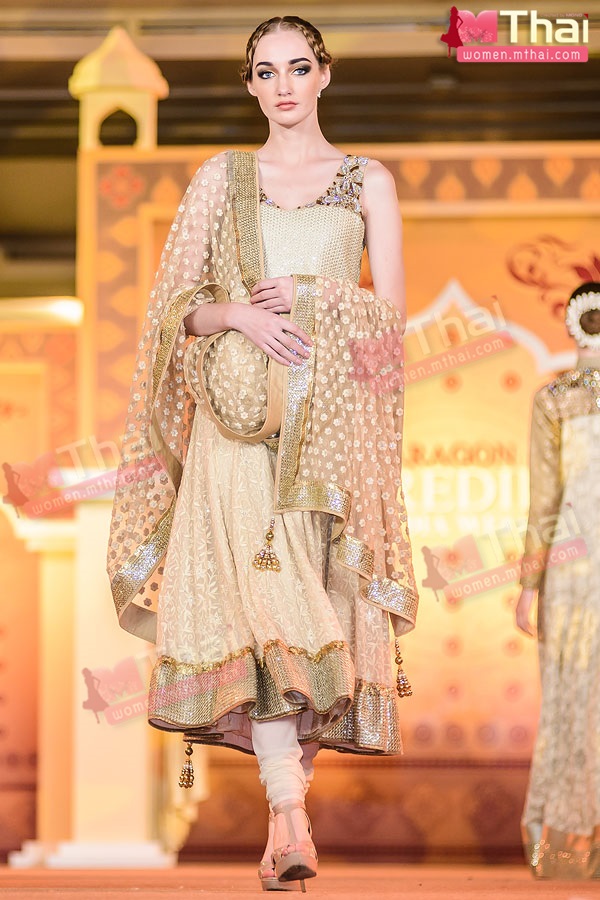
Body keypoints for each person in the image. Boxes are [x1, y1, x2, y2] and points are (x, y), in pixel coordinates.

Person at [107, 15, 417, 889]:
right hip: (234, 433)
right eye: (266, 71)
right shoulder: (221, 178)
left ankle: (287, 817)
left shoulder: (367, 182)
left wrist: (314, 295)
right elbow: (173, 313)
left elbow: (391, 325)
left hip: (329, 439)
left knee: (316, 627)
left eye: (298, 67)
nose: (283, 85)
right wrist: (239, 313)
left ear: (325, 75)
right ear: (250, 84)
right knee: (268, 613)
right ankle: (288, 817)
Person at [516, 281, 600, 879]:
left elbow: (545, 501)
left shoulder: (555, 399)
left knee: (574, 693)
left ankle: (573, 840)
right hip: (573, 571)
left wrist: (529, 583)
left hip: (574, 567)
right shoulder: (553, 401)